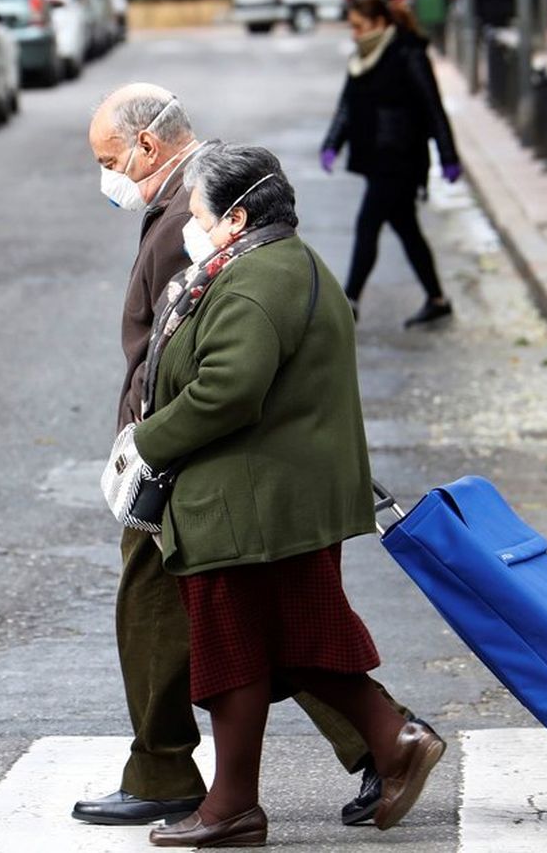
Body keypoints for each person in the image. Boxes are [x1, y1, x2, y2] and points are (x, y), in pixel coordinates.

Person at [78, 84, 413, 831]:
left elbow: (218, 376)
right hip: (230, 475)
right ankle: (372, 745)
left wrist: (146, 440)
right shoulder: (218, 223)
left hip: (221, 478)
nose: (107, 177)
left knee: (243, 632)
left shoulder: (218, 239)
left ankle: (357, 749)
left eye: (109, 160)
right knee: (269, 631)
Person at [320, 0, 461, 327]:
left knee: (367, 224)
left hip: (401, 158)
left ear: (380, 23)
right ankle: (437, 299)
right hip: (376, 157)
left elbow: (432, 108)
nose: (354, 34)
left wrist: (448, 155)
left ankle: (350, 301)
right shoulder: (362, 57)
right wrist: (332, 143)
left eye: (359, 26)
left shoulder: (408, 54)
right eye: (352, 27)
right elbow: (347, 105)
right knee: (407, 229)